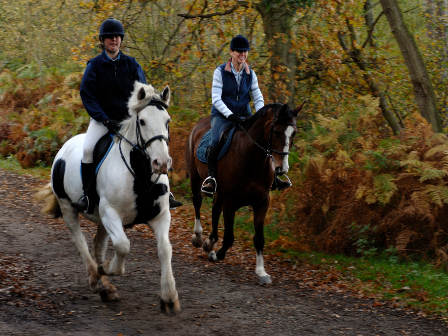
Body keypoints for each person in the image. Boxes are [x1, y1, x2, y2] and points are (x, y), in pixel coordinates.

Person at [72, 17, 182, 213]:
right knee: (88, 150)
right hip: (103, 120)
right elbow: (87, 95)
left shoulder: (132, 64)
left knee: (154, 145)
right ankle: (87, 196)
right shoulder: (94, 66)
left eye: (117, 37)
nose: (113, 40)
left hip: (130, 121)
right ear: (103, 40)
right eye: (109, 37)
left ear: (121, 40)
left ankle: (165, 191)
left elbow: (144, 94)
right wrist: (104, 118)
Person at [201, 35, 291, 197]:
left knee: (265, 137)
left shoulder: (251, 74)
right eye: (238, 51)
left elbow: (257, 97)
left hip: (244, 113)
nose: (242, 54)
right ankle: (211, 178)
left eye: (245, 51)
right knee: (216, 139)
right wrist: (230, 115)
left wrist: (262, 116)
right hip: (221, 115)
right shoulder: (219, 72)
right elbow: (216, 98)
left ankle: (273, 178)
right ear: (231, 52)